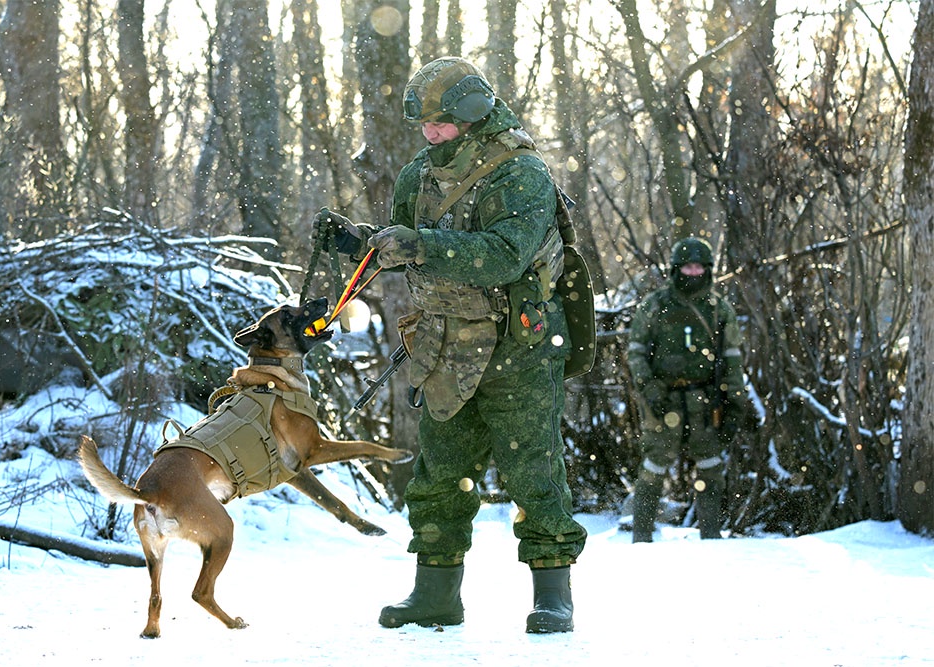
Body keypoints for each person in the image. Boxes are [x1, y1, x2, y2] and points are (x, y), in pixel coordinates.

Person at [313, 56, 586, 633]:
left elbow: (504, 254)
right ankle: (436, 594)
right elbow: (408, 246)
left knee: (534, 473)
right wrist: (357, 243)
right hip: (445, 345)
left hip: (520, 344)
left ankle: (553, 598)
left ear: (473, 114)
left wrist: (420, 245)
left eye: (441, 123)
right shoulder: (419, 174)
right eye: (424, 124)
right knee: (438, 475)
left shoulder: (521, 174)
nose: (431, 134)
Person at [626, 236, 754, 542]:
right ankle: (641, 539)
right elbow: (636, 353)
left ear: (708, 270)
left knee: (711, 467)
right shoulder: (654, 305)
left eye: (698, 268)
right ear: (675, 269)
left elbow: (733, 359)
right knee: (653, 467)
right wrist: (650, 390)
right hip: (663, 400)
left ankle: (711, 537)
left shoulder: (718, 309)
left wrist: (735, 403)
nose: (693, 273)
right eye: (687, 267)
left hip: (704, 401)